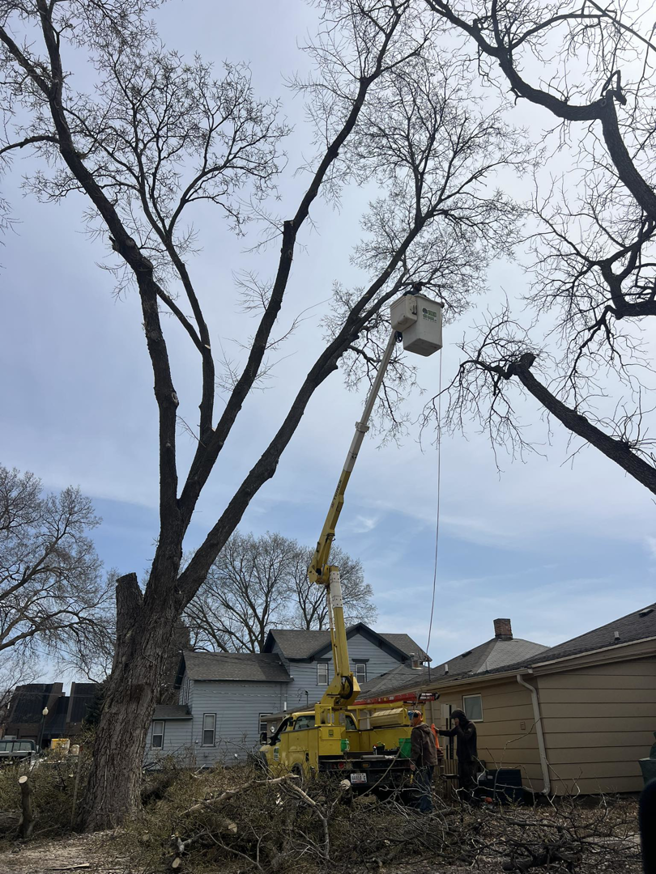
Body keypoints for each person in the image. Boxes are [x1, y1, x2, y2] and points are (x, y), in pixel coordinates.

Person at [439, 709, 478, 800]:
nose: (455, 722)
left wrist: (458, 727)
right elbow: (450, 733)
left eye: (455, 719)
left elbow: (465, 737)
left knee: (469, 781)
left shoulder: (470, 726)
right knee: (462, 781)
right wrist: (438, 731)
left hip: (469, 759)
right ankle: (463, 802)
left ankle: (471, 802)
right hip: (461, 759)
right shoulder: (459, 727)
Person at [408, 709, 437, 813]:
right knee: (427, 785)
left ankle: (426, 809)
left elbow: (416, 749)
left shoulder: (416, 731)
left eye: (411, 719)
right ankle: (426, 807)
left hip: (423, 763)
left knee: (423, 786)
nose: (410, 721)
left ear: (415, 718)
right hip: (431, 761)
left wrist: (412, 762)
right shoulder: (428, 730)